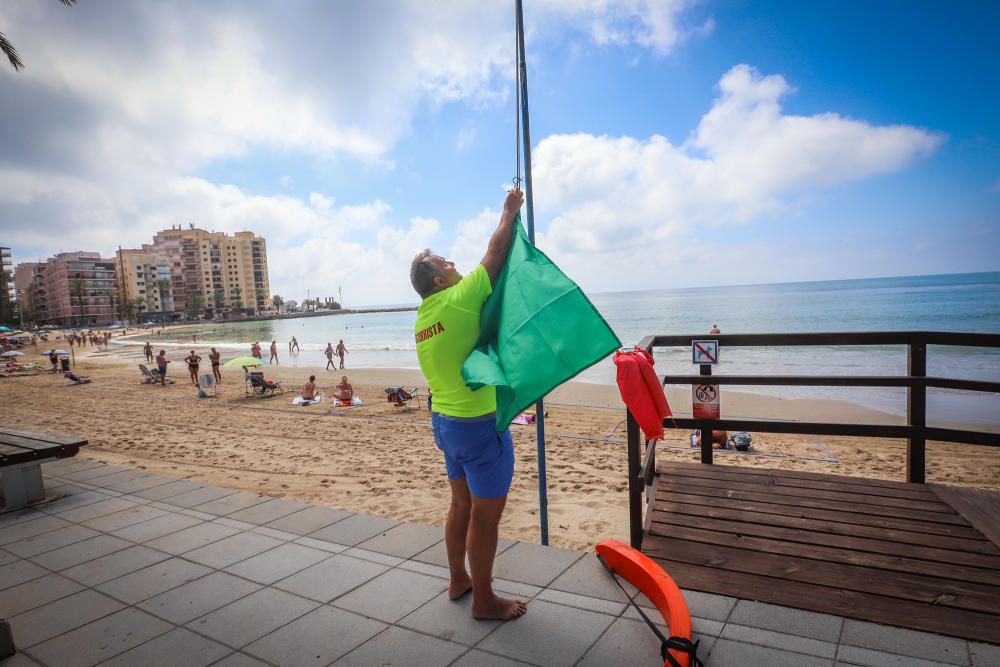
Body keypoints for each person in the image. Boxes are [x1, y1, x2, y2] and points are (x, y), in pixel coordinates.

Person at [409, 187, 526, 621]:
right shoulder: (459, 300)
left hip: (444, 424)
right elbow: (495, 252)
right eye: (445, 263)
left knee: (460, 505)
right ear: (439, 281)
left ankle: (459, 580)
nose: (454, 263)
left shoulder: (423, 318)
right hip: (476, 427)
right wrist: (509, 211)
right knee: (485, 518)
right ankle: (484, 600)